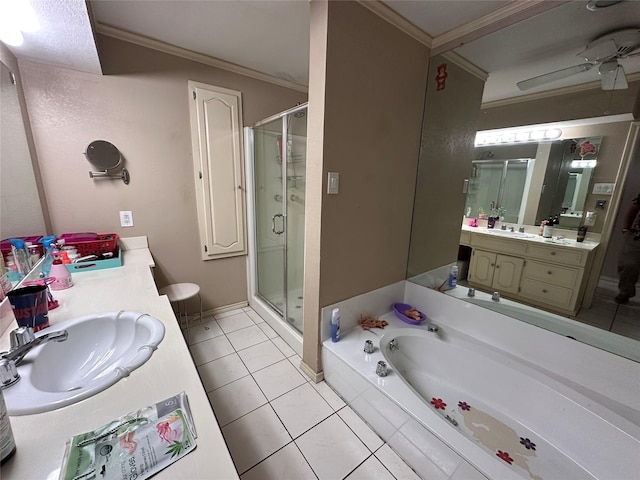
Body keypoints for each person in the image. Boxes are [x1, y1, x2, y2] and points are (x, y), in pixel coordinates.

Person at [616, 192, 640, 304]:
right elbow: (634, 208)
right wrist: (626, 228)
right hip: (637, 236)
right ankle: (625, 291)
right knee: (628, 265)